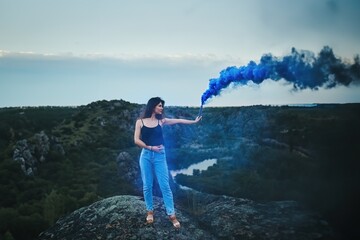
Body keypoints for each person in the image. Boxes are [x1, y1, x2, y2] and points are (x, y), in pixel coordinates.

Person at [134, 97, 202, 228]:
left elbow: (178, 120)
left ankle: (171, 215)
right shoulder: (140, 122)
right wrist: (150, 147)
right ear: (153, 106)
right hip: (146, 155)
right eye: (160, 105)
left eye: (162, 106)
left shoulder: (161, 121)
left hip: (160, 155)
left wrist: (194, 122)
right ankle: (149, 211)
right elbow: (136, 140)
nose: (161, 108)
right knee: (147, 185)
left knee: (165, 185)